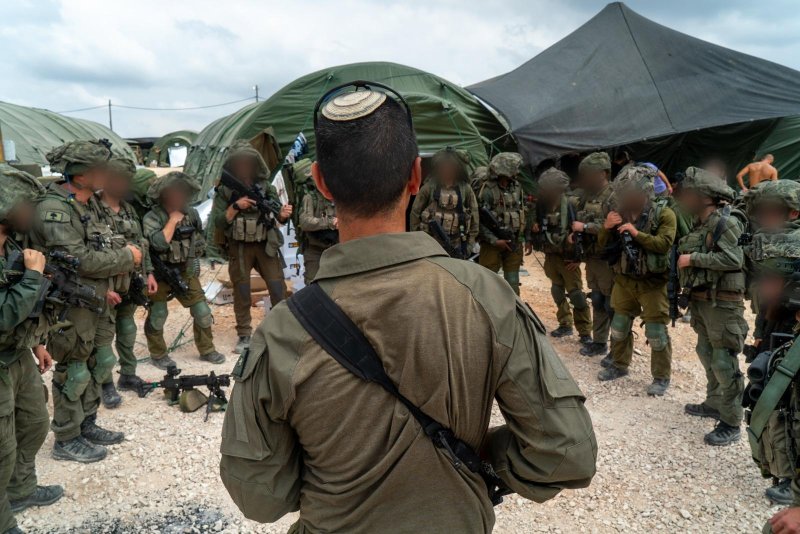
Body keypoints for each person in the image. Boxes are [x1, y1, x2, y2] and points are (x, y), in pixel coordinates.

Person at [220, 84, 597, 533]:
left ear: (320, 181)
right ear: (415, 177)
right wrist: (477, 455)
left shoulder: (282, 330)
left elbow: (260, 497)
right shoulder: (486, 295)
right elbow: (565, 454)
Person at [30, 140, 140, 463]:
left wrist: (107, 284)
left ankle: (87, 422)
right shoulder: (55, 209)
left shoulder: (90, 203)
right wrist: (126, 258)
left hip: (96, 299)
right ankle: (66, 437)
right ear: (79, 174)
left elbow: (101, 246)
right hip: (70, 303)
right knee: (74, 369)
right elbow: (79, 259)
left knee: (101, 361)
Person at [0, 166, 64, 534]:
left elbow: (27, 306)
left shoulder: (12, 246)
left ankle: (21, 490)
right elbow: (5, 312)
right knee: (1, 450)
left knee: (35, 423)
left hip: (16, 355)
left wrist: (37, 342)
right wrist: (34, 275)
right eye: (25, 204)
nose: (32, 213)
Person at [676, 168, 747, 446]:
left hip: (724, 304)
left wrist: (693, 259)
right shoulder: (701, 222)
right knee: (705, 352)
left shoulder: (726, 222)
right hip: (704, 300)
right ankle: (714, 402)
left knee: (723, 361)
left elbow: (734, 259)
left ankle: (731, 421)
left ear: (705, 197)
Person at [742, 180, 800, 505]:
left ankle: (791, 480)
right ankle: (781, 466)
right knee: (776, 404)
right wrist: (761, 329)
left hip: (794, 335)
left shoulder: (789, 244)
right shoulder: (770, 242)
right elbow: (767, 298)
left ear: (792, 211)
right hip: (776, 331)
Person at [596, 164, 677, 396]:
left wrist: (636, 233)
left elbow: (664, 244)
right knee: (619, 326)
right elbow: (603, 247)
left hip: (652, 283)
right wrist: (606, 227)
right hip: (624, 281)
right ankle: (619, 365)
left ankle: (661, 377)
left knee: (656, 333)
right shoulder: (617, 212)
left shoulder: (664, 214)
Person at [209, 142, 292, 354]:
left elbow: (278, 213)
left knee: (277, 287)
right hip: (239, 247)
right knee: (242, 291)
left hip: (265, 244)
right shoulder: (225, 189)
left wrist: (283, 213)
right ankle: (244, 335)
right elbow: (218, 221)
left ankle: (280, 332)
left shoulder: (266, 188)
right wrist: (236, 207)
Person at [143, 171, 224, 368]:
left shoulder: (192, 213)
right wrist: (172, 221)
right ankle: (158, 354)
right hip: (159, 272)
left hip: (184, 271)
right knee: (158, 314)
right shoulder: (153, 217)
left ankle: (207, 350)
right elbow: (159, 244)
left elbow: (199, 237)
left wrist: (195, 259)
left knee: (202, 311)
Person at [96, 157, 156, 398]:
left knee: (127, 328)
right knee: (103, 336)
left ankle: (128, 374)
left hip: (131, 281)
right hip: (105, 283)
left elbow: (143, 244)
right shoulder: (92, 209)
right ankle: (105, 383)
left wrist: (149, 272)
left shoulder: (129, 209)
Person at [529, 168, 592, 342]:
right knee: (557, 290)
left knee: (576, 295)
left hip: (568, 257)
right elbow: (537, 226)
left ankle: (585, 332)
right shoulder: (542, 204)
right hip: (551, 256)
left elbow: (580, 232)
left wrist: (578, 258)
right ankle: (565, 323)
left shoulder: (571, 204)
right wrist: (534, 230)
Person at [573, 152, 616, 357]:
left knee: (611, 304)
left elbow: (613, 226)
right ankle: (599, 342)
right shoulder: (589, 195)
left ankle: (617, 349)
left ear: (603, 173)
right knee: (597, 299)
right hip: (592, 256)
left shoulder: (614, 195)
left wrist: (585, 226)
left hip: (607, 259)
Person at [410, 147, 478, 259]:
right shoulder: (429, 187)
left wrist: (469, 244)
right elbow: (415, 214)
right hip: (431, 243)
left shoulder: (465, 189)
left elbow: (475, 218)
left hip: (457, 244)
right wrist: (418, 241)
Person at [476, 152, 527, 294]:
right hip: (492, 245)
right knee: (488, 285)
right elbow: (478, 220)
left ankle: (513, 314)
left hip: (513, 243)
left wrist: (523, 237)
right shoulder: (487, 191)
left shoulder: (517, 188)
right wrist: (494, 241)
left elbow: (522, 212)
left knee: (512, 285)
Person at [297, 160, 338, 283]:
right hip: (315, 249)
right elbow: (304, 222)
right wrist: (330, 223)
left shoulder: (341, 196)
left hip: (337, 249)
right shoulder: (310, 197)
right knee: (312, 284)